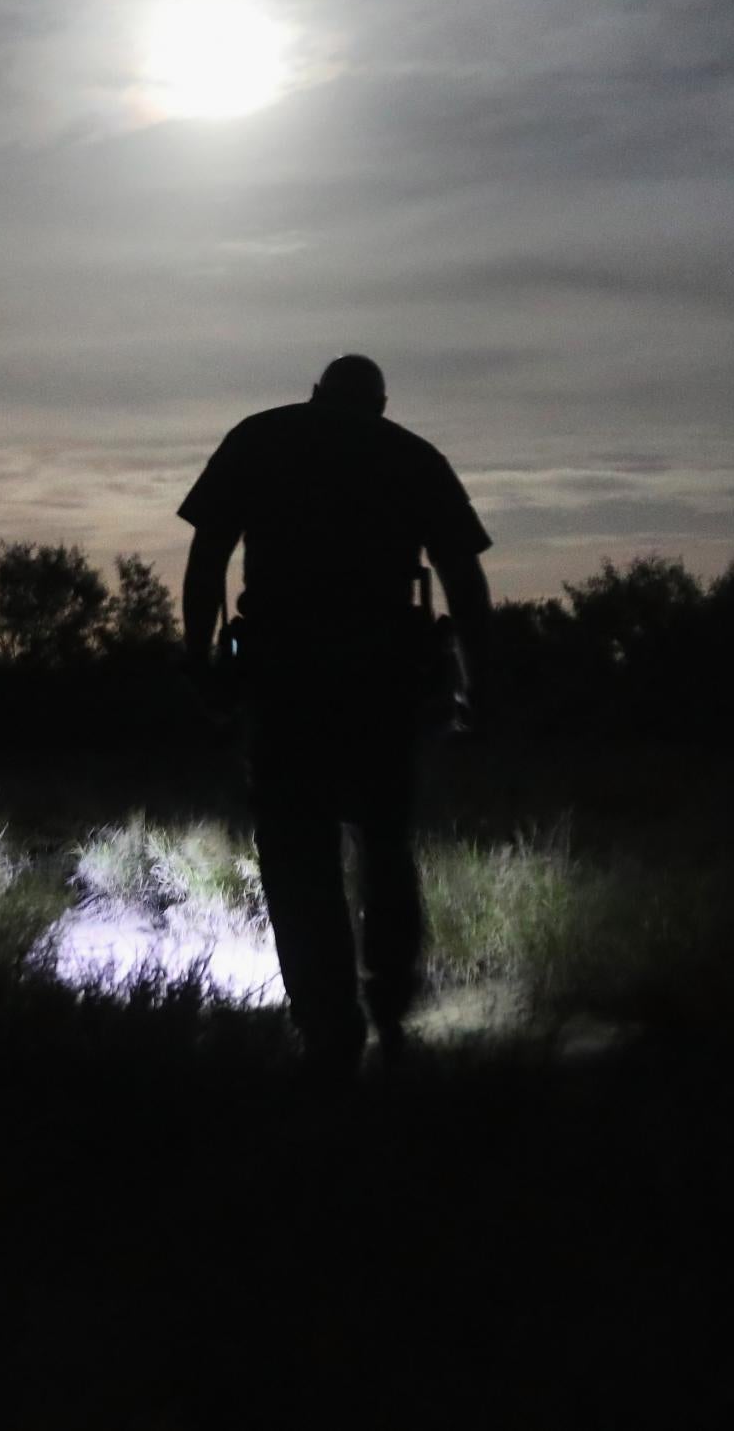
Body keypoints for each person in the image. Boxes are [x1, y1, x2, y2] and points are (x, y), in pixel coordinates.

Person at [177, 354, 493, 1085]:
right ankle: (389, 1012)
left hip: (285, 680)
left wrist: (200, 660)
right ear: (380, 404)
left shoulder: (258, 437)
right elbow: (465, 581)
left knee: (297, 856)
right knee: (385, 845)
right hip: (383, 682)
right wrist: (482, 685)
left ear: (315, 394)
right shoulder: (412, 455)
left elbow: (206, 556)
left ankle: (329, 1028)